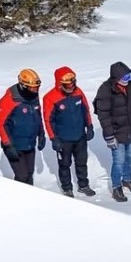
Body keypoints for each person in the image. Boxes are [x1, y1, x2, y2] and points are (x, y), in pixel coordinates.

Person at [93, 61, 131, 203]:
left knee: (129, 157)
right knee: (118, 161)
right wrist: (109, 136)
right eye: (125, 79)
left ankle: (127, 179)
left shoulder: (130, 87)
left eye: (129, 78)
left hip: (130, 129)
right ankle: (117, 187)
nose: (128, 81)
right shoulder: (105, 90)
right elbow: (103, 116)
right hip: (116, 132)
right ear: (116, 78)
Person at [43, 66, 96, 198]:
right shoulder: (50, 97)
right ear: (60, 84)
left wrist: (89, 126)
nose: (71, 86)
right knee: (65, 164)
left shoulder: (78, 92)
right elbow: (48, 120)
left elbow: (85, 110)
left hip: (79, 136)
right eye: (68, 84)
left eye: (73, 83)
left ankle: (83, 185)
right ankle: (67, 188)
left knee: (82, 162)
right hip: (63, 139)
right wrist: (53, 138)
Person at [0, 68, 45, 185]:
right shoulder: (10, 100)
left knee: (30, 174)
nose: (36, 90)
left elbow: (37, 116)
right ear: (23, 86)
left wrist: (41, 134)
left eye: (37, 87)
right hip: (14, 145)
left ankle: (30, 199)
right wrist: (8, 144)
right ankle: (19, 200)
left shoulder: (34, 97)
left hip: (29, 144)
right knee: (22, 176)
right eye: (32, 88)